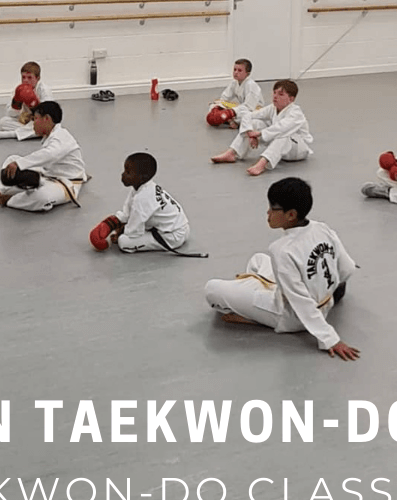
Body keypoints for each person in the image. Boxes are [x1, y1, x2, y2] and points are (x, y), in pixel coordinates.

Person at [203, 177, 358, 360]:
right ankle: (250, 296)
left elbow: (300, 300)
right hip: (324, 303)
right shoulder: (321, 228)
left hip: (291, 316)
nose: (267, 213)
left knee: (212, 289)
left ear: (291, 215)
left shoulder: (282, 250)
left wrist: (330, 339)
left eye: (273, 209)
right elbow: (348, 268)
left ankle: (254, 316)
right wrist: (325, 290)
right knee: (258, 260)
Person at [0, 100, 87, 211]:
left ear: (47, 119)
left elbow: (49, 154)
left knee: (42, 197)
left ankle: (7, 200)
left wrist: (19, 164)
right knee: (12, 159)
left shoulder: (62, 137)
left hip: (67, 182)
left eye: (35, 119)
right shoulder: (51, 135)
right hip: (48, 173)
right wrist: (17, 163)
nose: (33, 124)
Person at [90, 152, 191, 253]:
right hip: (181, 227)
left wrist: (121, 232)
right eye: (124, 170)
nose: (123, 174)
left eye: (128, 172)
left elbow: (134, 232)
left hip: (173, 237)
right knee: (133, 225)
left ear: (142, 177)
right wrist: (112, 222)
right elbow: (128, 212)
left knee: (124, 242)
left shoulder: (142, 198)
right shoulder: (142, 188)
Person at [210, 79, 313, 177]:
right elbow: (248, 116)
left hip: (297, 149)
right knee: (255, 123)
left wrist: (259, 134)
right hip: (280, 146)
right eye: (274, 93)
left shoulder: (296, 113)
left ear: (291, 99)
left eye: (280, 94)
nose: (275, 97)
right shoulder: (273, 108)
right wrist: (250, 132)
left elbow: (281, 128)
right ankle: (232, 153)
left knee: (284, 135)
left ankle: (262, 163)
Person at [0, 61, 54, 140]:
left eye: (29, 77)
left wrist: (34, 106)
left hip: (40, 120)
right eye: (23, 77)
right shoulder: (19, 90)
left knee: (46, 127)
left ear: (38, 78)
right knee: (3, 122)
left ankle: (12, 134)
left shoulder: (44, 90)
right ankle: (34, 133)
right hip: (28, 122)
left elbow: (50, 114)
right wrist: (16, 102)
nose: (26, 80)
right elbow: (10, 114)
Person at [206, 59, 264, 129]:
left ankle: (233, 120)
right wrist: (217, 107)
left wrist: (231, 112)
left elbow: (249, 107)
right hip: (242, 108)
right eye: (234, 69)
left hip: (254, 110)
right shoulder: (234, 83)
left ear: (247, 73)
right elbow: (224, 98)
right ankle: (230, 119)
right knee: (213, 105)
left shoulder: (251, 85)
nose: (236, 72)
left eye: (239, 70)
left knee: (247, 118)